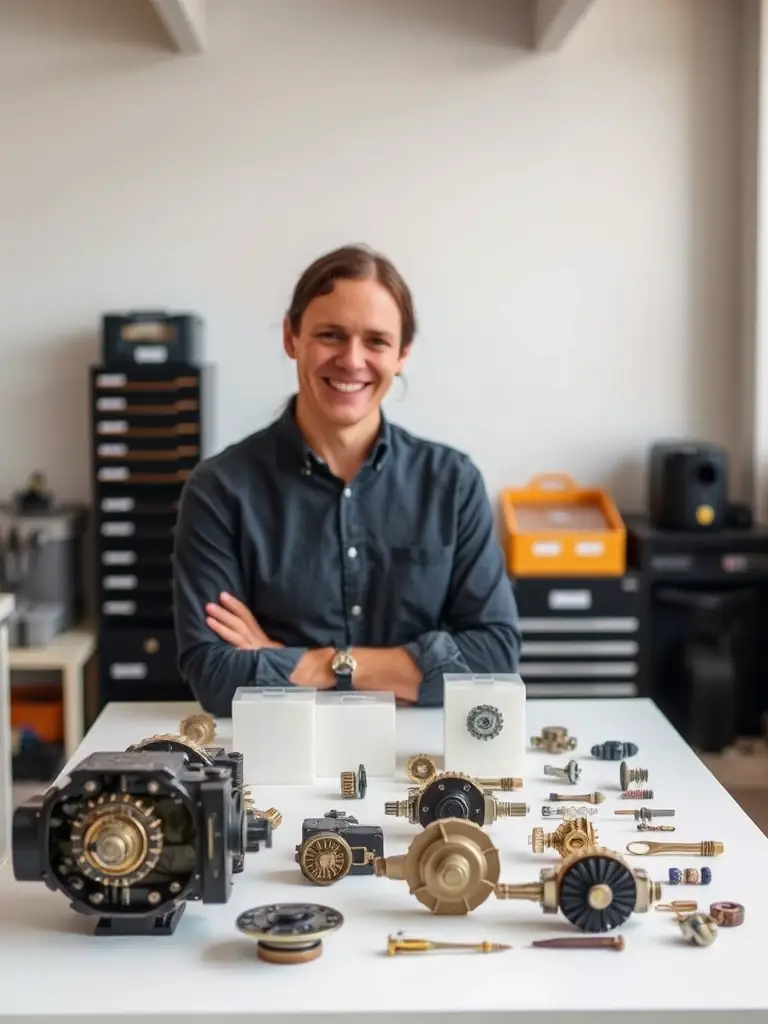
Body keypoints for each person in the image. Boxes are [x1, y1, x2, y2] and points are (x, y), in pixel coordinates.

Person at [172, 243, 521, 717]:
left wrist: (307, 664)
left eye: (376, 341)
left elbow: (495, 657)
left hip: (419, 749)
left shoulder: (453, 484)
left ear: (402, 354)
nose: (352, 360)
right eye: (331, 335)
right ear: (291, 337)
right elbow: (214, 675)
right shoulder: (219, 490)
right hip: (279, 745)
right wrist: (418, 667)